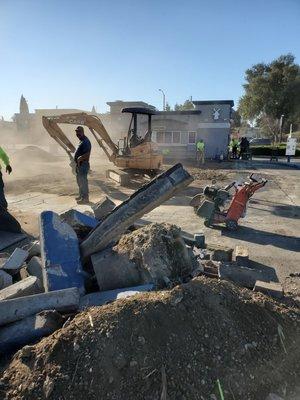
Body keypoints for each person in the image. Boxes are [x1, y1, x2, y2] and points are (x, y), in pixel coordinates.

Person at [74, 126, 91, 204]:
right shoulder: (81, 141)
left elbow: (87, 154)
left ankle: (85, 198)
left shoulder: (86, 141)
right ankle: (81, 196)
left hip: (83, 165)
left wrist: (79, 158)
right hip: (79, 164)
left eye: (79, 132)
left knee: (83, 181)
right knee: (79, 181)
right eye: (77, 132)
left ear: (82, 132)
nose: (77, 133)